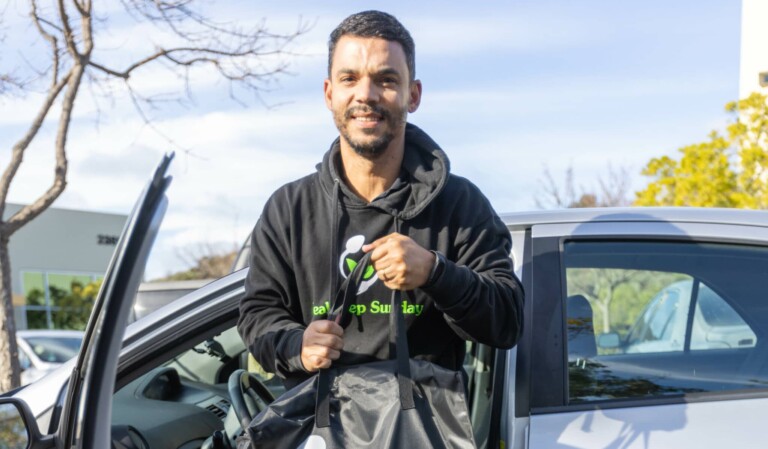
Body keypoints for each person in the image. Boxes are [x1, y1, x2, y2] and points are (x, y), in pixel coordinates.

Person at [237, 10, 524, 390]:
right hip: (316, 420)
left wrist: (436, 273)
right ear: (329, 94)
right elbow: (257, 315)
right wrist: (296, 345)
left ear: (413, 95)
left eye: (386, 80)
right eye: (349, 79)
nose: (366, 95)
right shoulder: (289, 209)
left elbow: (507, 321)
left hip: (422, 421)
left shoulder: (459, 204)